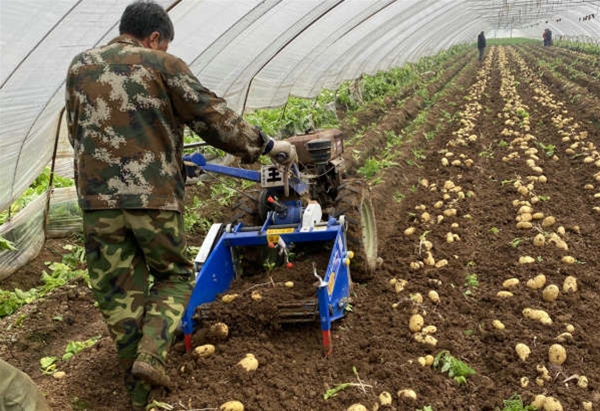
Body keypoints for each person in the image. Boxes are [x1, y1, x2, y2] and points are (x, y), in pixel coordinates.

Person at [64, 1, 296, 409]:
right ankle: (153, 355)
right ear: (155, 38)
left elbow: (79, 132)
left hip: (97, 203)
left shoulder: (80, 67)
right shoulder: (161, 64)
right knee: (174, 277)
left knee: (120, 294)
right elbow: (213, 117)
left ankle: (142, 397)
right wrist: (267, 145)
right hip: (153, 200)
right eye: (165, 45)